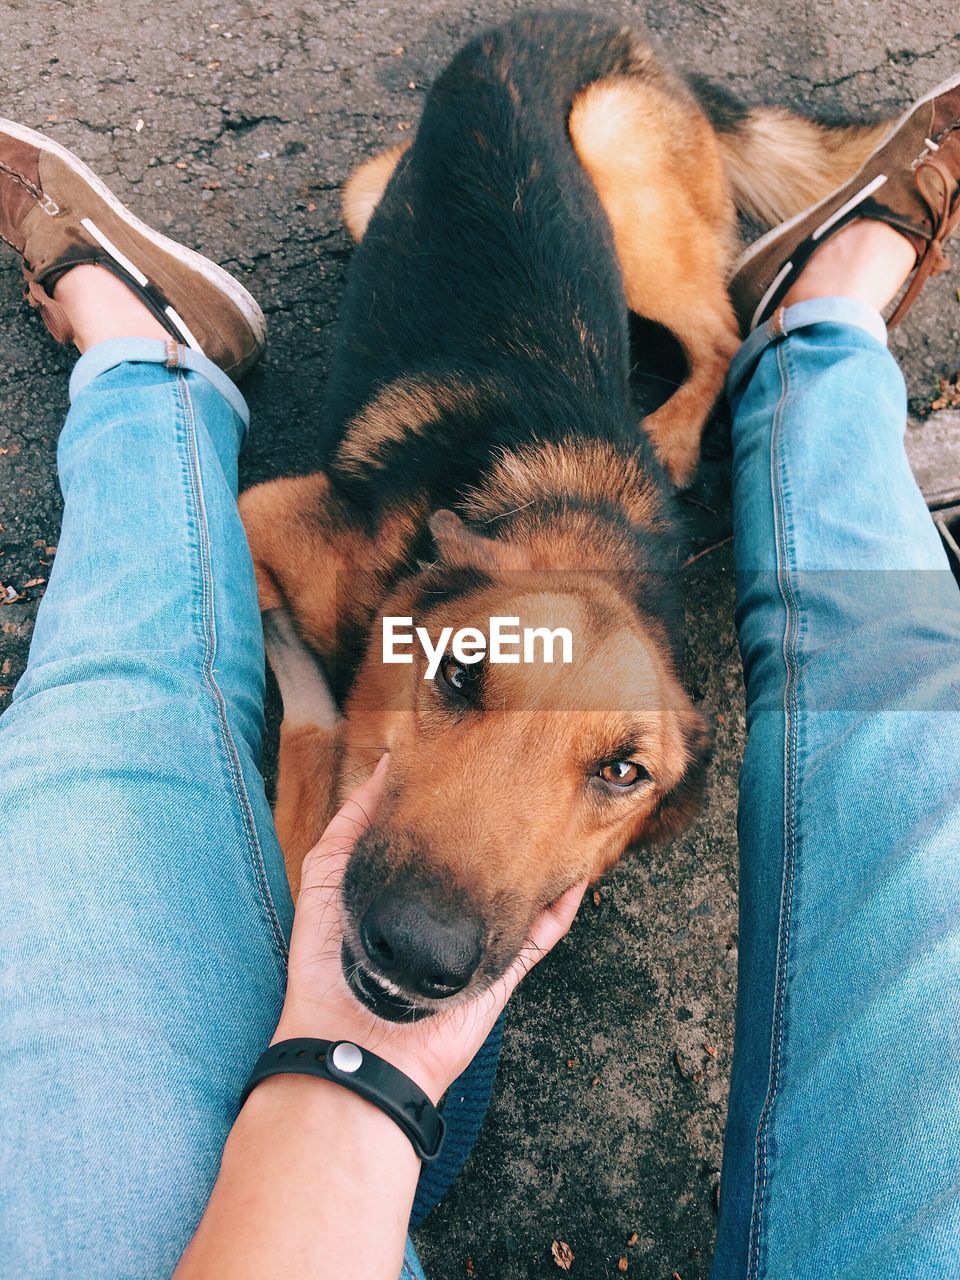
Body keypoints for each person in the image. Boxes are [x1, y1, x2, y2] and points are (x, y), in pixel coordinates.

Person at [0, 73, 957, 1279]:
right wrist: (335, 736)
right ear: (424, 613)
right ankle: (820, 332)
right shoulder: (424, 601)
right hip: (569, 139)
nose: (438, 909)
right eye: (464, 675)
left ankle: (734, 351)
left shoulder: (504, 645)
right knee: (903, 683)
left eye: (623, 768)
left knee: (101, 708)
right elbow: (319, 565)